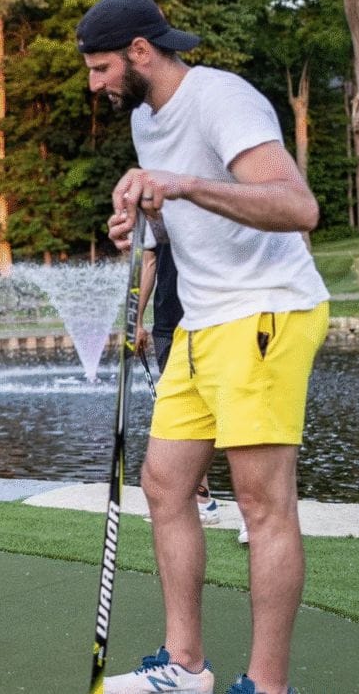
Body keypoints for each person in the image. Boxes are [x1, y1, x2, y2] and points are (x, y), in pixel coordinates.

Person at [78, 0, 329, 694]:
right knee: (164, 483)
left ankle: (267, 685)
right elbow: (178, 217)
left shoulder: (223, 99)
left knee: (260, 502)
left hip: (265, 312)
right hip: (201, 319)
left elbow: (297, 205)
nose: (95, 85)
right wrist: (141, 226)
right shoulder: (145, 120)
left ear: (138, 52)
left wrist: (183, 184)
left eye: (101, 69)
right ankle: (185, 664)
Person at [135, 225, 223, 530]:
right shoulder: (152, 201)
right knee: (185, 415)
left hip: (218, 316)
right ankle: (203, 500)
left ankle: (255, 514)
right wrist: (135, 320)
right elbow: (149, 261)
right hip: (168, 322)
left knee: (233, 410)